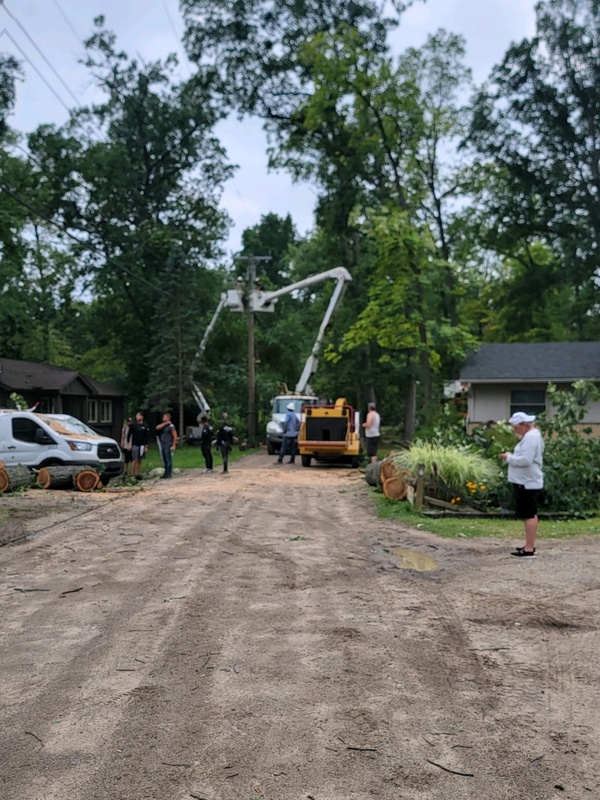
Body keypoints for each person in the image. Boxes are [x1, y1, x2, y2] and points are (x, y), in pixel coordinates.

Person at [499, 411, 544, 557]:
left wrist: (509, 458)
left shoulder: (531, 438)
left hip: (528, 482)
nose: (514, 430)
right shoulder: (531, 436)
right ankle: (529, 545)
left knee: (529, 513)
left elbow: (526, 460)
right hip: (526, 481)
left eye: (515, 427)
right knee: (529, 513)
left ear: (523, 425)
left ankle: (529, 548)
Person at [127, 412, 150, 480]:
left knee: (140, 459)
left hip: (142, 445)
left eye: (138, 416)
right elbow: (129, 435)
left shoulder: (145, 426)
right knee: (134, 459)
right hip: (135, 444)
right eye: (136, 416)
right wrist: (128, 444)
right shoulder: (133, 425)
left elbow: (147, 437)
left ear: (142, 417)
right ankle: (132, 473)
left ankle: (139, 473)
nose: (137, 417)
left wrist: (146, 446)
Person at [156, 412, 178, 479]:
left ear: (168, 418)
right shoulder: (164, 425)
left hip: (168, 444)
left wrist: (174, 445)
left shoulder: (171, 426)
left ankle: (169, 473)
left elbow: (175, 436)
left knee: (168, 459)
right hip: (163, 444)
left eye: (164, 417)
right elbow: (157, 427)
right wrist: (165, 423)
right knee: (165, 459)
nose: (163, 418)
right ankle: (166, 473)